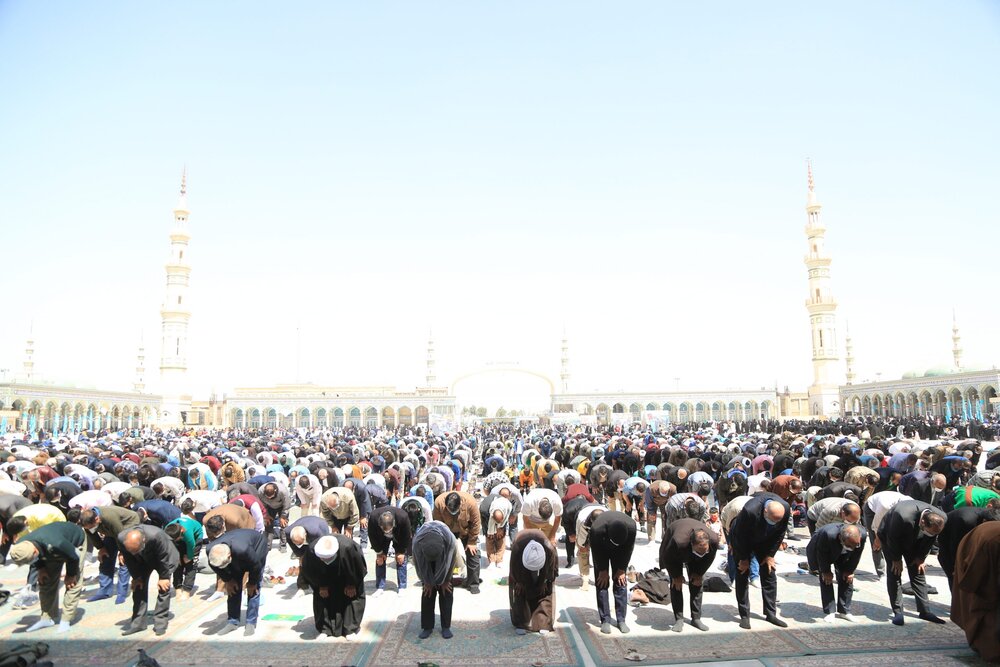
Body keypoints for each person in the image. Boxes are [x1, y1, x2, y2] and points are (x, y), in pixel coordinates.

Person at [876, 499, 947, 625]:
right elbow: (892, 537)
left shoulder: (942, 518)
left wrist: (921, 558)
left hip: (916, 539)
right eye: (929, 531)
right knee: (895, 571)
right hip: (890, 537)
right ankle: (898, 612)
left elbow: (931, 538)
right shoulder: (902, 515)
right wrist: (896, 559)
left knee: (918, 571)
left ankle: (925, 611)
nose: (931, 534)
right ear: (923, 522)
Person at [9, 521, 86, 633]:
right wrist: (41, 569)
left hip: (73, 545)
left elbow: (74, 557)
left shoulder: (56, 543)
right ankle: (47, 618)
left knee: (72, 584)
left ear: (35, 551)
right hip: (48, 550)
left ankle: (66, 620)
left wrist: (71, 574)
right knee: (45, 581)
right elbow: (33, 560)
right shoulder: (21, 545)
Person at [729, 493, 790, 629]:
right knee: (742, 572)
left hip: (766, 540)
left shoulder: (785, 508)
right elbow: (740, 536)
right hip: (743, 538)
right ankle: (744, 615)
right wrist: (744, 559)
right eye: (772, 520)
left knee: (769, 572)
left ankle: (770, 613)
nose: (774, 523)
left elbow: (780, 533)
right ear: (765, 510)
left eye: (776, 521)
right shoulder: (750, 511)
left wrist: (770, 555)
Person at [300, 534, 367, 638]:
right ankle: (325, 629)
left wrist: (351, 584)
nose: (326, 561)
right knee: (322, 596)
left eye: (328, 558)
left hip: (346, 573)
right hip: (323, 575)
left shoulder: (347, 547)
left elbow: (356, 568)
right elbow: (310, 571)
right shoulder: (312, 550)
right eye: (323, 558)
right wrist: (321, 585)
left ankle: (350, 629)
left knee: (351, 596)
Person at [950, 521, 1000, 662]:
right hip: (975, 561)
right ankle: (991, 651)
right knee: (982, 607)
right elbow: (975, 579)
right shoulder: (994, 541)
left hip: (981, 552)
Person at [659, 517, 719, 633]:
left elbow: (709, 558)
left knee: (697, 583)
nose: (702, 553)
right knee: (676, 584)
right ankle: (679, 619)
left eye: (704, 550)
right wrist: (676, 575)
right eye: (699, 550)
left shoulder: (714, 540)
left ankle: (696, 618)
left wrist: (699, 573)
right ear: (691, 544)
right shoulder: (678, 542)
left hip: (695, 556)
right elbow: (667, 558)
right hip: (674, 554)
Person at [118, 526, 179, 636]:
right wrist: (136, 577)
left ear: (143, 541)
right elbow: (129, 558)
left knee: (163, 587)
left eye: (135, 550)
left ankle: (160, 623)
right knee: (138, 586)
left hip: (164, 557)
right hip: (142, 559)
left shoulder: (156, 535)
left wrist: (164, 577)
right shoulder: (121, 538)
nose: (133, 552)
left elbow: (164, 557)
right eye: (132, 551)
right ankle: (138, 624)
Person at [207, 528, 269, 636]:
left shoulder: (243, 549)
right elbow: (215, 566)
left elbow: (256, 566)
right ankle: (233, 621)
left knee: (253, 589)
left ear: (229, 556)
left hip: (257, 548)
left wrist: (252, 582)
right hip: (235, 551)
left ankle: (251, 622)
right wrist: (228, 580)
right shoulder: (210, 550)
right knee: (233, 587)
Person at [806, 522, 865, 623]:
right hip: (824, 550)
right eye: (850, 545)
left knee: (847, 577)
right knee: (826, 578)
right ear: (840, 538)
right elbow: (821, 554)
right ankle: (830, 611)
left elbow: (857, 554)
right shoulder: (827, 534)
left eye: (856, 545)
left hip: (844, 554)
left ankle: (844, 611)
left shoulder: (862, 535)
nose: (853, 548)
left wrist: (850, 570)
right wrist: (825, 571)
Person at [80, 504, 139, 603]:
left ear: (97, 519)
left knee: (124, 561)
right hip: (111, 530)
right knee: (105, 557)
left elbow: (120, 534)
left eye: (92, 526)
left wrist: (123, 552)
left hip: (128, 525)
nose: (90, 528)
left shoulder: (109, 517)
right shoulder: (87, 522)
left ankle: (122, 593)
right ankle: (104, 591)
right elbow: (91, 534)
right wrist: (101, 548)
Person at [589, 510, 636, 634]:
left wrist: (622, 569)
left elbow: (629, 548)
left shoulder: (631, 526)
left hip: (621, 552)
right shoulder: (596, 529)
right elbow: (596, 551)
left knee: (621, 581)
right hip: (602, 549)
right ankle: (605, 619)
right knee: (602, 582)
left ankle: (621, 619)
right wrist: (603, 570)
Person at [411, 520, 458, 639]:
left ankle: (446, 626)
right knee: (428, 591)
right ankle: (427, 627)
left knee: (446, 590)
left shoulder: (450, 540)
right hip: (425, 559)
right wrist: (427, 581)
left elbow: (451, 561)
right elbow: (419, 565)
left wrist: (446, 579)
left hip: (444, 557)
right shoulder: (417, 543)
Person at [937, 503, 999, 591]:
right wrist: (957, 566)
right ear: (985, 521)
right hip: (949, 545)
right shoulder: (967, 521)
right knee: (955, 579)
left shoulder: (991, 517)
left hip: (961, 543)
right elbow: (955, 545)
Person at [508, 529, 557, 635]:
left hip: (544, 565)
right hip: (521, 565)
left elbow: (552, 569)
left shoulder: (550, 549)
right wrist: (519, 581)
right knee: (520, 588)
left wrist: (545, 580)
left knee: (544, 589)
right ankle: (521, 622)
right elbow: (514, 568)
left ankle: (543, 623)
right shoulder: (517, 548)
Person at [432, 490, 481, 594]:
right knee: (444, 554)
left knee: (473, 554)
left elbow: (476, 523)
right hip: (447, 530)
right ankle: (445, 580)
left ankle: (473, 583)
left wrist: (472, 542)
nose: (452, 513)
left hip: (466, 530)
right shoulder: (439, 503)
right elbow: (437, 524)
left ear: (460, 504)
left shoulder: (470, 502)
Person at [368, 505, 411, 596]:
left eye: (389, 530)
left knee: (400, 559)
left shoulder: (403, 517)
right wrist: (379, 552)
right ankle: (380, 586)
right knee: (380, 559)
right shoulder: (373, 517)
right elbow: (372, 537)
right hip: (381, 538)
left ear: (394, 523)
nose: (387, 532)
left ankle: (402, 586)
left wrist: (401, 552)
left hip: (398, 536)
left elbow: (406, 536)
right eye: (385, 531)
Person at [164, 514, 204, 600]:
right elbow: (169, 546)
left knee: (191, 564)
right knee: (178, 564)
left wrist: (189, 557)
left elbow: (191, 545)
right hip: (179, 536)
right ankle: (178, 587)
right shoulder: (167, 530)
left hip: (195, 537)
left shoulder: (187, 532)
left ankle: (187, 590)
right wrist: (176, 557)